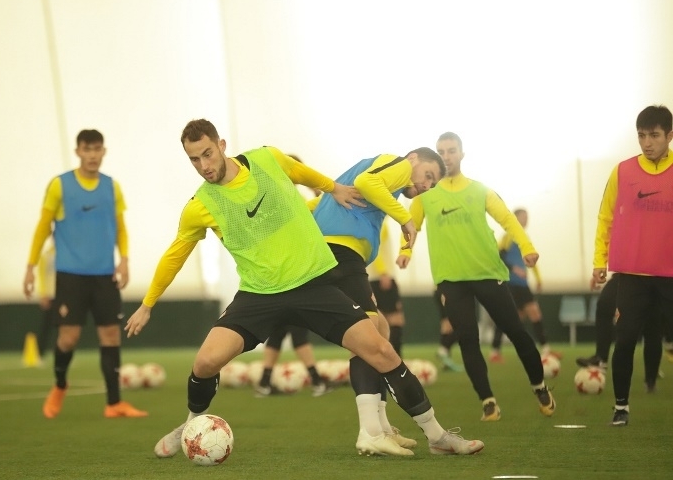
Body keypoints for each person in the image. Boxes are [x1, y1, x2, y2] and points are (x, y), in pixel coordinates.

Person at [125, 119, 484, 458]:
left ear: (221, 145)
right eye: (194, 160)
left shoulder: (266, 158)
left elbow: (300, 172)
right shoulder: (200, 205)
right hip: (259, 294)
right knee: (205, 362)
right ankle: (190, 425)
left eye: (207, 154)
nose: (203, 165)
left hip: (312, 284)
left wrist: (333, 187)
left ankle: (437, 436)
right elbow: (176, 254)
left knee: (381, 350)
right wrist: (147, 304)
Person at [398, 132, 555, 422]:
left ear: (462, 154)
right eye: (441, 151)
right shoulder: (424, 195)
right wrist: (405, 251)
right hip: (450, 280)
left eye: (451, 150)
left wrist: (528, 247)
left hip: (487, 273)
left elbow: (508, 219)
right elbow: (410, 226)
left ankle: (540, 387)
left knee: (517, 333)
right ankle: (488, 401)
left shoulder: (480, 190)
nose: (446, 156)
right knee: (468, 340)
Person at [308, 146, 448, 455]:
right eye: (428, 175)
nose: (426, 185)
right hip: (340, 254)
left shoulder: (380, 181)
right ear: (413, 159)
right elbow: (368, 182)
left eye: (432, 183)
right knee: (369, 333)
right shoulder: (398, 166)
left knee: (380, 329)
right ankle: (370, 432)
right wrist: (405, 219)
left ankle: (383, 428)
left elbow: (315, 205)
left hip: (340, 256)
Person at [23, 129, 147, 419]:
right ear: (78, 151)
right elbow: (42, 228)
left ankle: (114, 403)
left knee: (111, 336)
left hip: (104, 276)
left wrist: (124, 260)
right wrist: (30, 268)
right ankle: (60, 385)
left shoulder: (112, 187)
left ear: (104, 152)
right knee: (68, 338)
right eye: (87, 149)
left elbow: (121, 227)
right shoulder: (60, 185)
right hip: (71, 276)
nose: (92, 155)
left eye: (97, 149)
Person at [590, 105, 673, 426]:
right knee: (624, 341)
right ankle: (621, 407)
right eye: (641, 136)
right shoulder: (622, 171)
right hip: (632, 276)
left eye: (654, 135)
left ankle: (651, 379)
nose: (647, 143)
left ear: (669, 135)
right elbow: (605, 217)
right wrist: (599, 261)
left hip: (669, 276)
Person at [255, 154, 332, 399]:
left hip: (275, 274)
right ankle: (317, 381)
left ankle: (264, 383)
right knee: (297, 329)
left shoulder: (269, 197)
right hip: (292, 273)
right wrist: (316, 190)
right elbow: (316, 215)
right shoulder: (290, 199)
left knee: (279, 330)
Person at [489, 208, 561, 362]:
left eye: (527, 217)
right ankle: (495, 351)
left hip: (523, 285)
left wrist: (538, 279)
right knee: (506, 317)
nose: (526, 219)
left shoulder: (524, 238)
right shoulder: (508, 237)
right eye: (523, 217)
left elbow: (531, 259)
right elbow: (497, 256)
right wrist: (514, 269)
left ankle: (546, 350)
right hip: (510, 284)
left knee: (534, 313)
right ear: (515, 218)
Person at [576, 274, 665, 392]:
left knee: (652, 325)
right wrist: (600, 268)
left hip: (653, 275)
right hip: (626, 273)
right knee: (604, 303)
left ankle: (651, 379)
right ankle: (601, 358)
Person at [368, 222, 407, 356]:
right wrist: (383, 272)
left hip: (374, 278)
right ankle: (395, 358)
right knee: (395, 319)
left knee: (379, 320)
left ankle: (384, 357)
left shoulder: (368, 221)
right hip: (382, 277)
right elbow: (376, 248)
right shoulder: (379, 222)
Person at [433, 287, 463, 372]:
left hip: (444, 290)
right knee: (460, 328)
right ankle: (443, 350)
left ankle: (445, 362)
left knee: (447, 329)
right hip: (445, 289)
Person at [35, 241, 56, 360]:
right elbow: (41, 275)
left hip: (65, 294)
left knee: (66, 327)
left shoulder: (68, 254)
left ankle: (63, 354)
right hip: (50, 295)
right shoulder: (47, 255)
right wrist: (43, 294)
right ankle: (40, 353)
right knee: (46, 326)